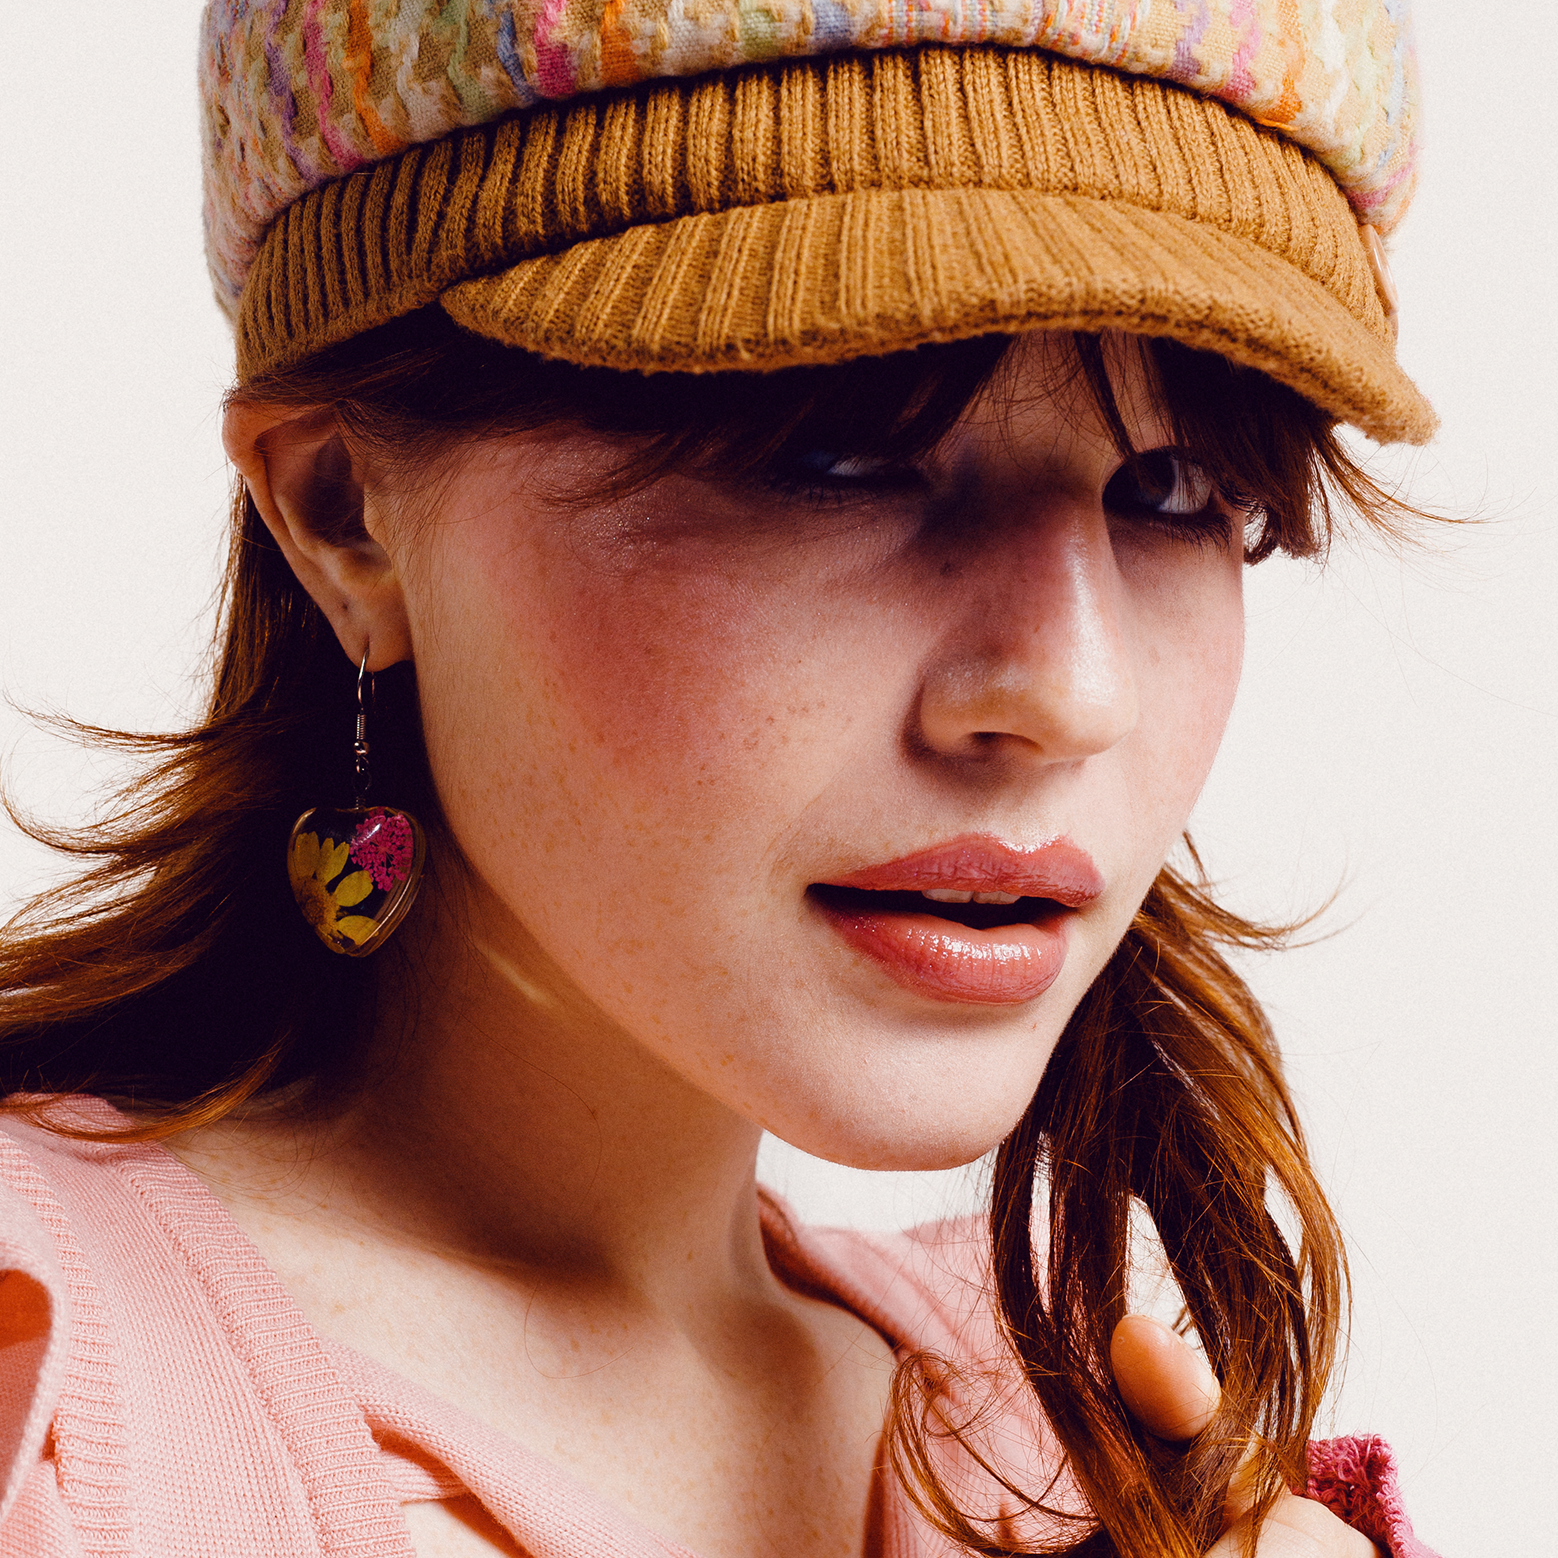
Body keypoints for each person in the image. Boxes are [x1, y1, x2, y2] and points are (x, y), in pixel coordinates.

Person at [0, 1, 1444, 1554]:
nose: (1069, 692)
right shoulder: (58, 1404)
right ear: (346, 511)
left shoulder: (1084, 1431)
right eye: (839, 455)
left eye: (1175, 488)